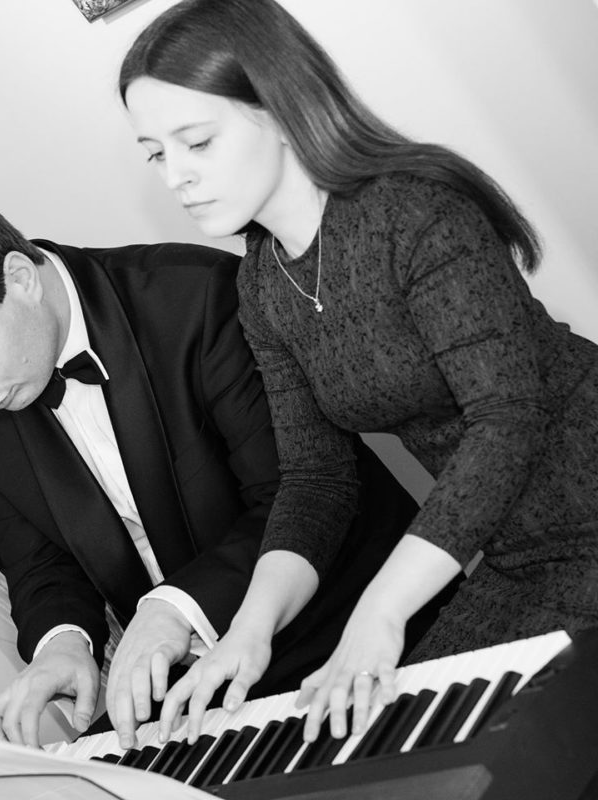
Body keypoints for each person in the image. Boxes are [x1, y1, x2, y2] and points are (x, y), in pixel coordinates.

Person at [118, 0, 598, 747]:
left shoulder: (415, 211)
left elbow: (505, 421)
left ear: (279, 109)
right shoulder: (262, 284)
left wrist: (381, 610)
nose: (176, 177)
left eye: (197, 142)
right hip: (510, 549)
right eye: (155, 154)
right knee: (401, 746)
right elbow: (317, 480)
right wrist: (249, 631)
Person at [0, 183, 436, 750]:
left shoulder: (196, 296)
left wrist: (174, 609)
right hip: (193, 687)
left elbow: (299, 492)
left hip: (354, 623)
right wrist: (63, 642)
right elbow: (36, 560)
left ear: (21, 278)